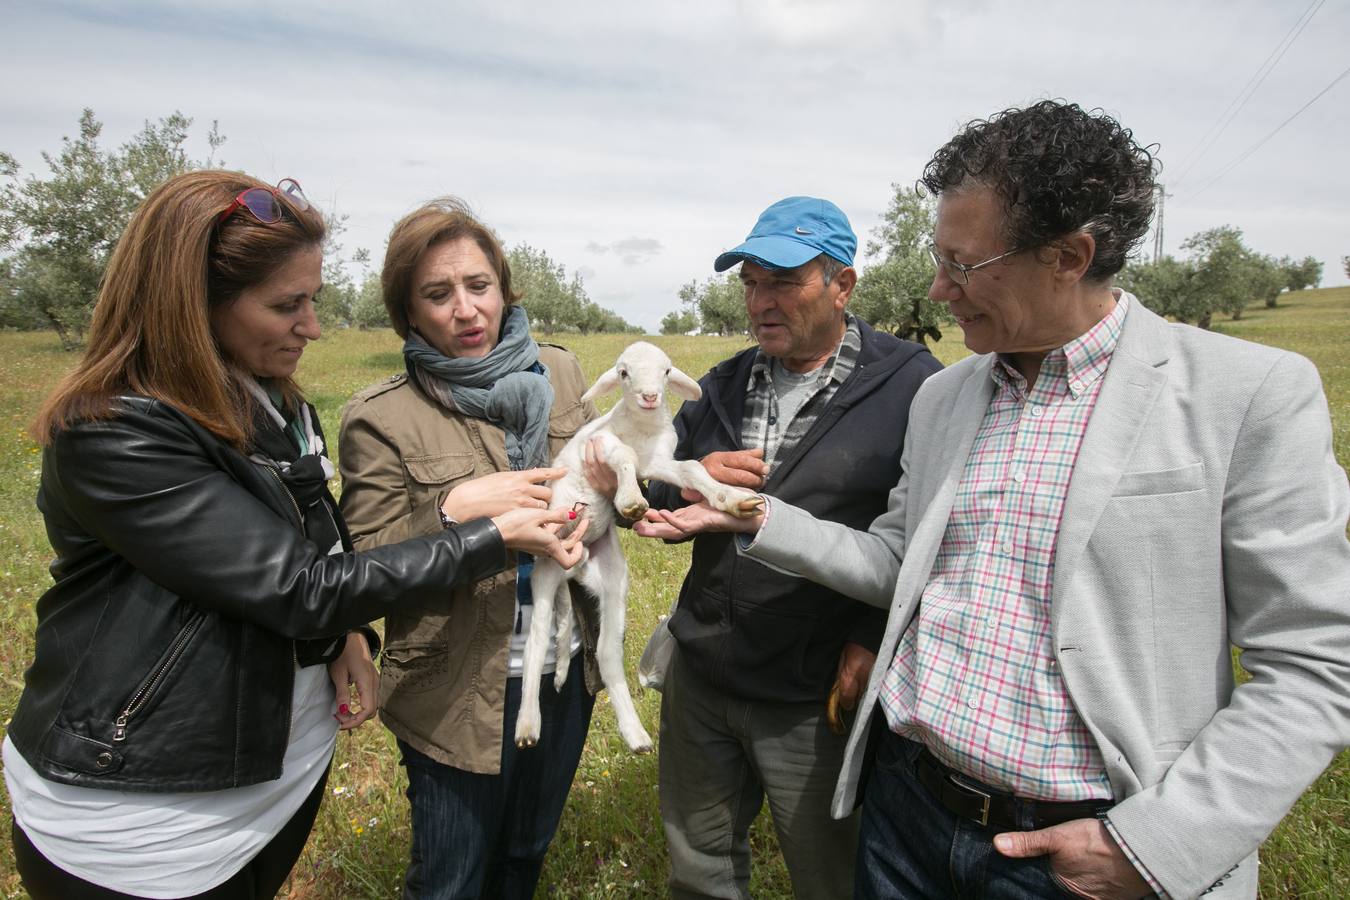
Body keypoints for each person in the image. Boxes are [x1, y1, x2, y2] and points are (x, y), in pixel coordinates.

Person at [643, 101, 1350, 899]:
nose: (940, 290)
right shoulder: (947, 398)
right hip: (906, 816)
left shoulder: (1245, 395)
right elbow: (895, 561)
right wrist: (759, 516)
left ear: (1069, 256)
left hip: (1082, 853)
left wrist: (1159, 844)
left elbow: (1317, 663)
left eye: (963, 266)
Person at [4, 171, 584, 900]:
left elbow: (308, 548)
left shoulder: (273, 400)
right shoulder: (115, 431)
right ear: (191, 308)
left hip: (262, 793)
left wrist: (341, 640)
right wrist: (480, 528)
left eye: (310, 299)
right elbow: (300, 587)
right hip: (144, 825)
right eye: (288, 305)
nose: (312, 325)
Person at [636, 196, 940, 899]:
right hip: (704, 674)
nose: (760, 302)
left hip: (815, 691)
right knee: (699, 867)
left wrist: (870, 635)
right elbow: (648, 485)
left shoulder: (911, 385)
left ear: (842, 285)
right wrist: (689, 479)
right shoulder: (724, 383)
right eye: (750, 282)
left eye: (782, 281)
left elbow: (925, 538)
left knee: (831, 874)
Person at [337, 198, 605, 900]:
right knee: (451, 881)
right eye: (437, 293)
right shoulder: (381, 417)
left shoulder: (561, 373)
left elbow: (594, 490)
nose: (465, 310)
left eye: (478, 286)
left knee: (524, 857)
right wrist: (454, 511)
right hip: (454, 690)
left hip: (560, 669)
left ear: (503, 289)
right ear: (409, 313)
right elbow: (361, 569)